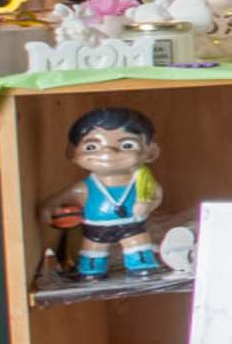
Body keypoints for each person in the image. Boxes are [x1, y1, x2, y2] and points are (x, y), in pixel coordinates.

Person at [53, 104, 163, 279]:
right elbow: (54, 203)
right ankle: (91, 271)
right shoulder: (84, 187)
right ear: (72, 153)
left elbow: (156, 194)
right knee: (93, 250)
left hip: (132, 225)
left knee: (138, 246)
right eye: (91, 147)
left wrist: (147, 205)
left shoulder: (142, 181)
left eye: (127, 145)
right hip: (96, 229)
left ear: (150, 152)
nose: (108, 151)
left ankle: (142, 267)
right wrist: (50, 213)